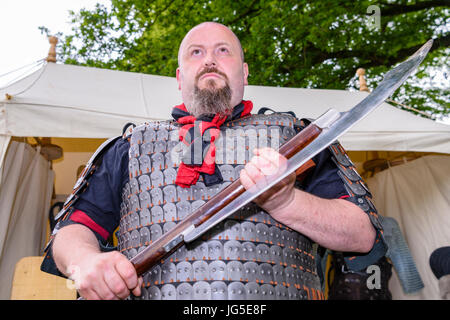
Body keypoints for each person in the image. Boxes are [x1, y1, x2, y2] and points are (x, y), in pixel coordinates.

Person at [41, 22, 386, 300]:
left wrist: (288, 201)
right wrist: (83, 261)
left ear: (245, 72)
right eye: (196, 52)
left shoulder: (297, 141)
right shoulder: (130, 147)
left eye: (223, 51)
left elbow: (362, 235)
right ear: (179, 77)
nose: (210, 60)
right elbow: (72, 231)